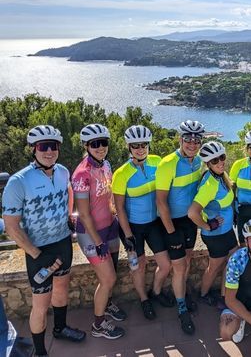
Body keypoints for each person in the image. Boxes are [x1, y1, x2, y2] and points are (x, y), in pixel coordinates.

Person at [2, 125, 86, 357]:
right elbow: (11, 226)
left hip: (62, 243)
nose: (49, 151)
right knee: (40, 303)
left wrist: (69, 216)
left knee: (61, 288)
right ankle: (40, 352)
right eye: (43, 146)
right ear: (33, 149)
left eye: (54, 146)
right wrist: (36, 254)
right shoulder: (18, 181)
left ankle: (60, 329)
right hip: (38, 250)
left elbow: (68, 192)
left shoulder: (62, 172)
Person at [112, 125, 174, 321]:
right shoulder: (121, 174)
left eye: (144, 145)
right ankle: (144, 299)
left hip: (153, 223)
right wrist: (128, 235)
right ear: (129, 147)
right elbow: (119, 208)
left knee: (165, 264)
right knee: (139, 266)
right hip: (132, 227)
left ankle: (156, 291)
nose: (140, 149)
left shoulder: (157, 162)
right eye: (136, 145)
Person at [71, 124, 125, 339]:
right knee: (108, 279)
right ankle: (98, 325)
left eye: (104, 143)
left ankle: (108, 303)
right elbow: (83, 214)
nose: (100, 147)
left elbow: (109, 196)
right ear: (86, 146)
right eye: (95, 144)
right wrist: (98, 241)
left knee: (114, 273)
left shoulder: (106, 165)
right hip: (91, 233)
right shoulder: (82, 174)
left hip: (110, 226)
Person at [156, 120, 204, 335]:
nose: (192, 144)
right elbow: (161, 202)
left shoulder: (199, 161)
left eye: (196, 140)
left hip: (189, 222)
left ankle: (179, 294)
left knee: (187, 261)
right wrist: (170, 231)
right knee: (179, 267)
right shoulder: (168, 164)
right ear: (180, 139)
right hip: (171, 223)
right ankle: (181, 308)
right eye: (188, 139)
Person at [188, 141, 238, 308]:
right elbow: (192, 213)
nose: (220, 162)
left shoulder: (221, 176)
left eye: (222, 157)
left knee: (231, 262)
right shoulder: (209, 185)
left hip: (227, 231)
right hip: (216, 235)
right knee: (214, 267)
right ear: (208, 164)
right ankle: (203, 294)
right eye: (215, 161)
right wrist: (208, 225)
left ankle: (226, 296)